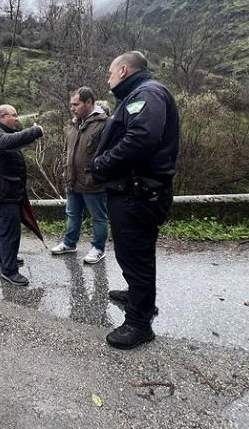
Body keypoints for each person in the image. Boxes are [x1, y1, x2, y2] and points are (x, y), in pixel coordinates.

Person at [92, 51, 179, 350]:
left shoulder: (147, 93)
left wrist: (102, 163)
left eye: (110, 72)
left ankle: (139, 323)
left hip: (138, 192)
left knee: (135, 256)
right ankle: (137, 295)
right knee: (135, 254)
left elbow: (142, 137)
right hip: (134, 190)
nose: (108, 78)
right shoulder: (138, 95)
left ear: (124, 70)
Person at [0, 104, 44, 286]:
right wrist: (35, 131)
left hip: (6, 192)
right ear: (1, 117)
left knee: (5, 230)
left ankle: (4, 259)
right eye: (13, 115)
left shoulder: (2, 134)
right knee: (10, 232)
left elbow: (16, 140)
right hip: (1, 195)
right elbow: (9, 142)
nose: (17, 118)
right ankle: (10, 271)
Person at [51, 87, 109, 264]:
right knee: (72, 214)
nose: (72, 108)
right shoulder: (74, 124)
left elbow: (110, 154)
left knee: (98, 217)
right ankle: (70, 243)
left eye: (76, 104)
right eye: (71, 104)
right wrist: (65, 168)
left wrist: (97, 175)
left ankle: (98, 249)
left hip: (92, 182)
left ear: (89, 103)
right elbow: (66, 150)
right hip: (72, 180)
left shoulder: (104, 124)